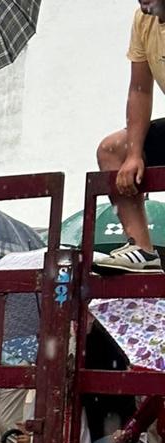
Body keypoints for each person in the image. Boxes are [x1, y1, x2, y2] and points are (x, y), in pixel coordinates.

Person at [94, 1, 165, 273]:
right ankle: (142, 250)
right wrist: (134, 154)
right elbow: (140, 90)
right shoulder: (142, 20)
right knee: (113, 150)